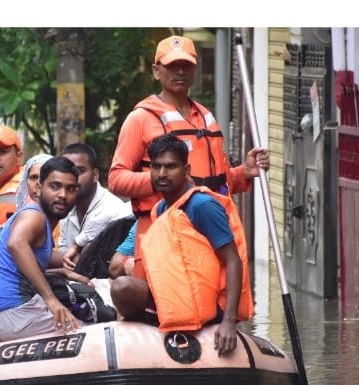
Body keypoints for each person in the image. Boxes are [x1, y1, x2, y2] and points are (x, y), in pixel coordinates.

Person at [109, 34, 266, 252]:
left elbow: (215, 182)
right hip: (162, 228)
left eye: (186, 65)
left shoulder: (205, 117)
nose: (180, 71)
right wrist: (164, 179)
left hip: (208, 229)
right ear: (156, 71)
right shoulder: (140, 119)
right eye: (173, 66)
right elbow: (116, 179)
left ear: (194, 70)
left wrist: (243, 173)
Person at [112, 134, 253, 355]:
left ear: (186, 170)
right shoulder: (160, 209)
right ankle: (146, 344)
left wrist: (229, 321)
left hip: (209, 306)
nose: (162, 174)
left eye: (170, 167)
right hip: (175, 298)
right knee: (122, 288)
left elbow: (233, 260)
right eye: (156, 167)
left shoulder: (202, 205)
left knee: (123, 286)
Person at [0, 156, 84, 343]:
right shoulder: (34, 216)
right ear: (39, 189)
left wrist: (62, 271)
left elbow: (28, 260)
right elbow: (16, 244)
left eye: (70, 189)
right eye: (55, 186)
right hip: (9, 314)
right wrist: (51, 300)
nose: (63, 195)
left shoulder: (38, 220)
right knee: (89, 332)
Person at [56, 142, 135, 272]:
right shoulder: (66, 207)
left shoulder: (112, 208)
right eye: (68, 172)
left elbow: (105, 217)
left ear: (95, 175)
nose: (74, 178)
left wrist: (77, 246)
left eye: (80, 171)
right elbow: (65, 255)